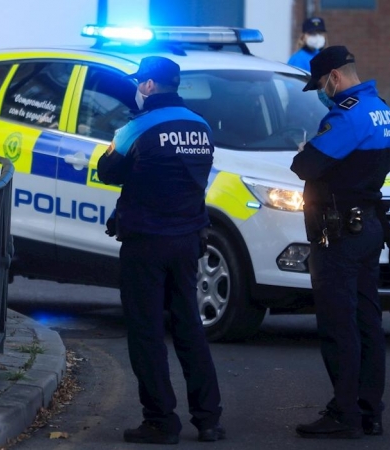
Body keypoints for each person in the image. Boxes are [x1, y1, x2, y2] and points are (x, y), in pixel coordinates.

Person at [97, 56, 225, 445]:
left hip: (146, 243)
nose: (138, 88)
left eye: (140, 82)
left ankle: (160, 420)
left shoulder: (135, 128)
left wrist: (111, 147)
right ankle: (208, 420)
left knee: (147, 332)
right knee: (189, 328)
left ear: (150, 86)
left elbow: (108, 172)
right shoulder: (201, 126)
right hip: (188, 241)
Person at [290, 46, 390, 439]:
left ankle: (344, 413)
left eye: (320, 85)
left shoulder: (348, 115)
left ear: (334, 78)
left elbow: (305, 165)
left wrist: (307, 150)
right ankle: (370, 411)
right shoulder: (384, 111)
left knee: (340, 326)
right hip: (368, 227)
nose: (320, 92)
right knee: (368, 323)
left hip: (338, 233)